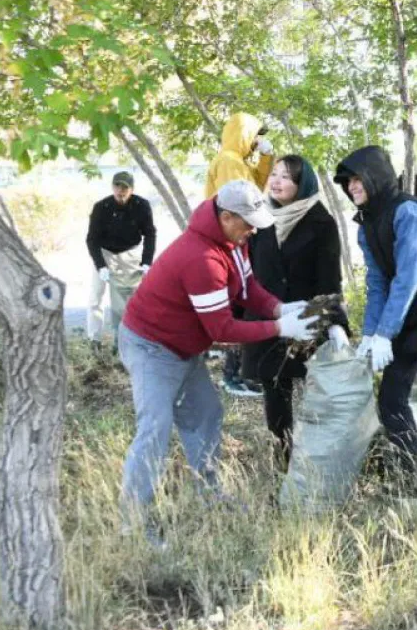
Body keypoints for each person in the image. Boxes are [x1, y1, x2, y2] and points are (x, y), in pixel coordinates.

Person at [117, 179, 318, 545]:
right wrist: (279, 327)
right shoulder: (202, 258)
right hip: (151, 346)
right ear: (226, 216)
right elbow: (222, 328)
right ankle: (133, 524)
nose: (254, 229)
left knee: (207, 415)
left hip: (182, 347)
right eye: (248, 222)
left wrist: (278, 307)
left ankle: (209, 496)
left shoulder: (233, 241)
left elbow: (247, 287)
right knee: (154, 431)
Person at [336, 146, 417, 475]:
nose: (352, 187)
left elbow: (409, 277)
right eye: (348, 182)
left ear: (375, 176)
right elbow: (379, 281)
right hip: (405, 321)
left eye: (357, 179)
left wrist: (384, 332)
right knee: (391, 401)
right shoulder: (366, 222)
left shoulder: (408, 211)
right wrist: (370, 333)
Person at [241, 155, 349, 469]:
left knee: (317, 392)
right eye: (273, 174)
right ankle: (285, 460)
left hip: (306, 319)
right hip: (267, 319)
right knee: (275, 392)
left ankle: (322, 461)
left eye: (286, 177)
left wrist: (334, 322)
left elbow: (329, 277)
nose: (276, 182)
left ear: (302, 184)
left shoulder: (320, 222)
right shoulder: (260, 218)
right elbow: (246, 272)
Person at [203, 112, 276, 398]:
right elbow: (242, 202)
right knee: (237, 305)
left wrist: (267, 160)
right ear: (244, 134)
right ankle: (234, 376)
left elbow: (256, 187)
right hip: (229, 240)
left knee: (239, 302)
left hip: (234, 239)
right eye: (256, 135)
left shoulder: (238, 162)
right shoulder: (229, 162)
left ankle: (236, 373)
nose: (258, 141)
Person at [86, 171, 157, 344]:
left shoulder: (142, 205)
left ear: (131, 189)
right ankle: (94, 340)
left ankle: (124, 340)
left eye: (125, 187)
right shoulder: (101, 207)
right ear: (112, 187)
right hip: (104, 252)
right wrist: (100, 265)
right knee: (96, 296)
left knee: (128, 300)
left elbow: (150, 234)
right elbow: (91, 239)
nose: (121, 191)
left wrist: (147, 262)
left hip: (129, 253)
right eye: (117, 186)